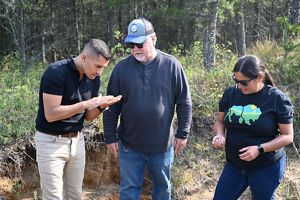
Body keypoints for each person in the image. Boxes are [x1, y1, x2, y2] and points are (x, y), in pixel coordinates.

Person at [103, 17, 192, 200]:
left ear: (153, 39)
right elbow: (111, 106)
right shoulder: (121, 69)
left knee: (162, 188)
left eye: (139, 43)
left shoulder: (172, 65)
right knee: (129, 189)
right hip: (129, 146)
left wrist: (183, 133)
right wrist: (110, 136)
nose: (135, 49)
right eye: (131, 45)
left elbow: (184, 102)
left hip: (162, 146)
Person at [35, 39, 122, 200]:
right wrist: (86, 103)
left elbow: (88, 117)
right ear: (84, 57)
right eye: (98, 66)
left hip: (77, 142)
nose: (100, 72)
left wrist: (101, 106)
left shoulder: (93, 79)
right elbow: (51, 114)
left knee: (74, 195)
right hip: (50, 143)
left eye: (103, 68)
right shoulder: (56, 72)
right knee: (53, 196)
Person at [212, 55, 294, 200]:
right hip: (234, 165)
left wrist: (259, 148)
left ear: (259, 77)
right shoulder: (231, 93)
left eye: (244, 82)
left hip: (266, 167)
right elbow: (220, 122)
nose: (239, 86)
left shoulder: (277, 99)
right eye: (236, 80)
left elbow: (287, 136)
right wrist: (220, 135)